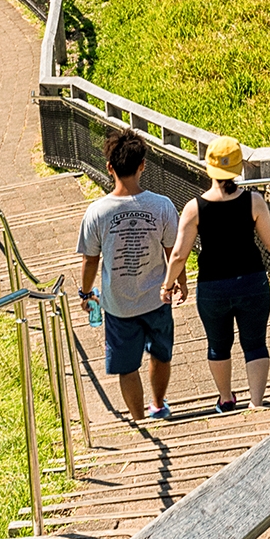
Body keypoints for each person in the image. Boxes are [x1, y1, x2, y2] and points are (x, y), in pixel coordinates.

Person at [165, 137, 270, 412]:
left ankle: (226, 399)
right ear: (238, 169)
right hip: (252, 281)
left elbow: (179, 254)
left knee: (218, 345)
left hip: (213, 288)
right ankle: (257, 403)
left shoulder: (194, 208)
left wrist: (167, 285)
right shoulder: (254, 201)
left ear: (208, 168)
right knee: (255, 343)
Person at [78, 130, 183, 422]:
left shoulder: (97, 212)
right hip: (157, 297)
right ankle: (158, 405)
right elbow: (174, 252)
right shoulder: (162, 205)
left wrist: (86, 293)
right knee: (161, 354)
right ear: (143, 165)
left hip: (117, 304)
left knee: (126, 366)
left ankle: (137, 419)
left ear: (109, 167)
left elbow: (90, 260)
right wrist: (180, 283)